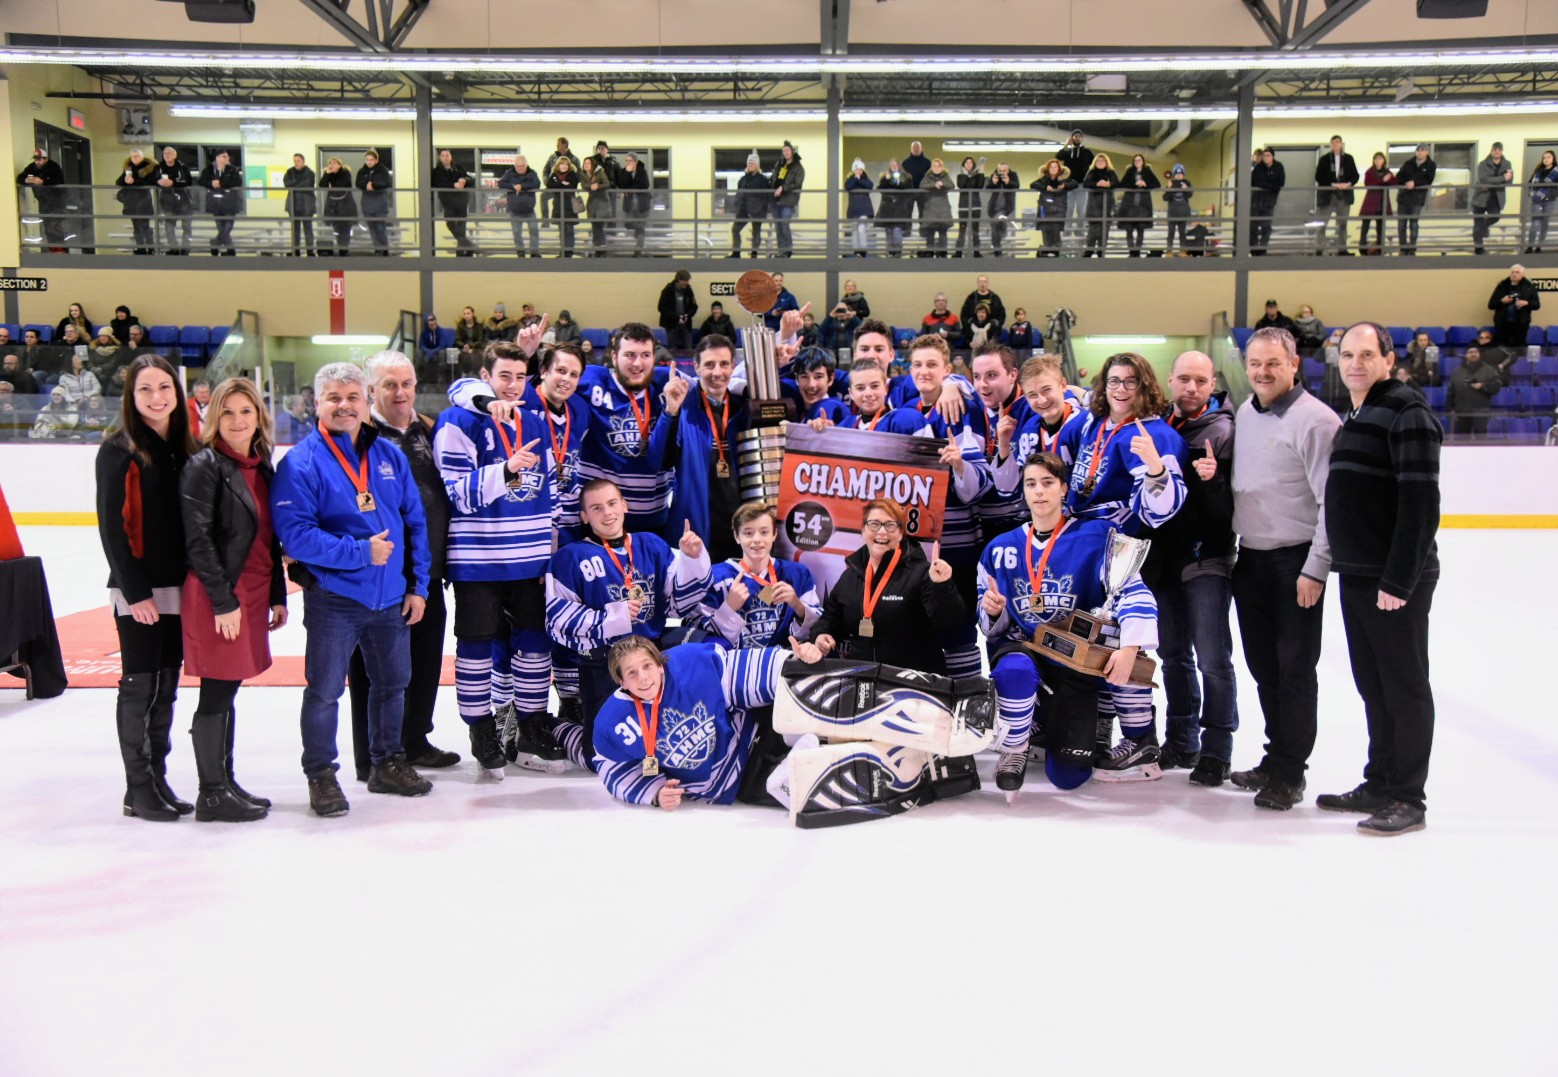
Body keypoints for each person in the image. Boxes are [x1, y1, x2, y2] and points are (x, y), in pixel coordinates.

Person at [270, 362, 433, 817]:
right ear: (317, 403)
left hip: (391, 598)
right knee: (324, 691)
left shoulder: (388, 456)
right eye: (334, 398)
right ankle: (321, 775)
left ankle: (387, 763)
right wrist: (360, 552)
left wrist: (418, 585)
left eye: (352, 397)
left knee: (393, 683)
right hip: (334, 598)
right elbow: (296, 537)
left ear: (365, 402)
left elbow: (415, 523)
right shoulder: (300, 463)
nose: (344, 405)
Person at [1322, 323, 1442, 836]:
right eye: (1348, 354)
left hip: (1392, 580)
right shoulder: (1358, 413)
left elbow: (1421, 503)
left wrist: (1398, 580)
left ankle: (1408, 797)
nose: (1356, 363)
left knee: (1404, 687)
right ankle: (1379, 782)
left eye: (1367, 354)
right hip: (1358, 574)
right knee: (1374, 686)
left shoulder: (1407, 411)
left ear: (1389, 360)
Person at [978, 453, 1160, 791]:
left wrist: (1130, 648)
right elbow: (992, 628)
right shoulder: (999, 549)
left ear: (1063, 488)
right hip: (1028, 652)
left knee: (1069, 778)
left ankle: (1117, 730)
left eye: (1047, 483)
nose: (1039, 491)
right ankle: (1015, 744)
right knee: (1014, 669)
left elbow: (1134, 593)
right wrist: (993, 611)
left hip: (1076, 662)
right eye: (1031, 484)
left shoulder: (1098, 535)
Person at [433, 342, 566, 778]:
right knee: (475, 647)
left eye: (520, 377)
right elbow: (456, 493)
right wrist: (506, 470)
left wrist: (551, 551)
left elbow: (550, 490)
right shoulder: (457, 421)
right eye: (504, 376)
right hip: (478, 559)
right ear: (485, 378)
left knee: (535, 645)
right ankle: (481, 729)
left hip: (530, 561)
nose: (512, 385)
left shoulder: (534, 420)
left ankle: (530, 727)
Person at [1220, 327, 1340, 805]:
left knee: (1294, 671)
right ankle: (1275, 757)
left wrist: (1316, 567)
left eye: (1273, 363)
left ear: (1294, 365)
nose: (1263, 372)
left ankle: (1290, 772)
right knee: (1264, 668)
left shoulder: (1316, 421)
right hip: (1251, 557)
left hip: (1296, 562)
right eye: (1255, 363)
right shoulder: (1246, 413)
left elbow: (1332, 502)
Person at [175, 378, 286, 823]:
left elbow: (269, 539)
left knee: (230, 687)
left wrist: (277, 594)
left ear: (259, 416)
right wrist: (223, 602)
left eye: (245, 411)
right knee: (217, 691)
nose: (237, 421)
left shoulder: (262, 465)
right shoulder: (204, 466)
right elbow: (198, 540)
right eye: (227, 412)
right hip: (220, 592)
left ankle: (225, 781)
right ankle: (211, 793)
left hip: (254, 589)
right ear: (213, 418)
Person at [96, 355, 199, 822]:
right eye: (145, 389)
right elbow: (112, 528)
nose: (156, 398)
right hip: (139, 590)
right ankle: (137, 788)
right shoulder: (118, 449)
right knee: (140, 686)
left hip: (179, 586)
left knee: (167, 686)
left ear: (176, 393)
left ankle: (157, 778)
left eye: (164, 388)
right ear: (131, 396)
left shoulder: (185, 447)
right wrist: (136, 593)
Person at [546, 478, 711, 739]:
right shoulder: (570, 557)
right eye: (597, 508)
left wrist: (692, 559)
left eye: (612, 503)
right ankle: (553, 729)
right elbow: (557, 621)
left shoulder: (651, 545)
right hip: (604, 661)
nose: (607, 513)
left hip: (650, 652)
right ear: (584, 516)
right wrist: (613, 618)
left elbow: (680, 604)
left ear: (624, 505)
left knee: (709, 647)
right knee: (600, 750)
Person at [592, 635, 824, 810]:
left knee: (784, 704)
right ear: (622, 682)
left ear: (660, 665)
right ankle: (800, 753)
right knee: (784, 790)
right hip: (733, 784)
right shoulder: (611, 724)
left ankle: (800, 736)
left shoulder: (690, 664)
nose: (643, 677)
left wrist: (793, 660)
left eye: (647, 666)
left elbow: (741, 670)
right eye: (632, 673)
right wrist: (655, 793)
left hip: (752, 737)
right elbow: (613, 770)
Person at [878, 335, 993, 679]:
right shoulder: (903, 412)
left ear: (946, 369)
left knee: (958, 630)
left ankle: (965, 698)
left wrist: (958, 464)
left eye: (932, 365)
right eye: (917, 364)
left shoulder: (960, 409)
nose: (923, 371)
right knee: (918, 629)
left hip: (957, 548)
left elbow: (977, 487)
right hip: (913, 549)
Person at [1148, 351, 1238, 780]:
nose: (1191, 388)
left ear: (1212, 384)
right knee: (1172, 654)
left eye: (1201, 381)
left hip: (1208, 557)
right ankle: (1182, 741)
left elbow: (1230, 510)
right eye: (1184, 379)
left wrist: (1213, 479)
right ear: (1170, 380)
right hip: (1165, 558)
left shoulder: (1223, 431)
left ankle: (1217, 751)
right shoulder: (1159, 425)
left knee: (1212, 658)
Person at [811, 498, 964, 674]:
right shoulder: (851, 576)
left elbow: (950, 624)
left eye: (890, 525)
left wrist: (942, 587)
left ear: (900, 533)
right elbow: (830, 618)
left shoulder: (922, 573)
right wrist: (822, 634)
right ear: (863, 530)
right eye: (874, 524)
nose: (882, 532)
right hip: (864, 678)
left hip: (913, 681)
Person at [1056, 353, 1188, 539]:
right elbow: (1062, 452)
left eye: (1130, 382)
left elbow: (1160, 511)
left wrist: (1156, 469)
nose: (1121, 389)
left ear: (1144, 387)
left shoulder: (1157, 436)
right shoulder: (1093, 419)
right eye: (1114, 381)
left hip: (1115, 536)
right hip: (1073, 520)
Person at [576, 322, 676, 532]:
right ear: (614, 357)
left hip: (655, 524)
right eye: (630, 355)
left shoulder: (668, 383)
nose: (638, 363)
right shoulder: (592, 381)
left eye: (645, 355)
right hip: (600, 524)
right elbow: (548, 383)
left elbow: (714, 385)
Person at [655, 334, 747, 562]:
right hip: (694, 531)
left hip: (741, 533)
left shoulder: (744, 408)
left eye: (724, 364)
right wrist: (670, 411)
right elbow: (660, 460)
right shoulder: (683, 408)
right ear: (696, 367)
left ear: (733, 366)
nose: (717, 372)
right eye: (709, 365)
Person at [694, 500, 820, 649]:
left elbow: (816, 629)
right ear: (736, 536)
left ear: (774, 534)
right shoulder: (714, 577)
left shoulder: (797, 574)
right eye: (748, 533)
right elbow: (697, 634)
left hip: (782, 660)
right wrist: (728, 608)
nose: (757, 540)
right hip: (735, 661)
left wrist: (797, 605)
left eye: (764, 532)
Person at [1313, 136, 1359, 256]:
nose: (1334, 144)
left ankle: (1342, 249)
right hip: (1327, 196)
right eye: (1332, 142)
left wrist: (1348, 184)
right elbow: (1318, 176)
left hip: (1344, 195)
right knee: (1322, 223)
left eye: (1337, 142)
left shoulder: (1348, 159)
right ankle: (1319, 249)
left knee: (1342, 224)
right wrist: (1332, 184)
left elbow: (1355, 176)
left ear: (1341, 144)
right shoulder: (1324, 159)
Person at [18, 147, 68, 251]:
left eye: (39, 159)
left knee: (55, 226)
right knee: (47, 226)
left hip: (57, 202)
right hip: (44, 203)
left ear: (46, 159)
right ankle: (53, 249)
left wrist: (43, 182)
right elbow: (20, 177)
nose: (37, 162)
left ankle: (60, 250)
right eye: (35, 159)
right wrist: (26, 180)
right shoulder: (32, 167)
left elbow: (60, 181)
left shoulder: (54, 167)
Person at [1447, 345, 1501, 438]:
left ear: (1479, 354)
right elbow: (1451, 393)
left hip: (1481, 411)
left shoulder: (1489, 370)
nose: (1473, 354)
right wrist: (1450, 409)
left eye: (1475, 352)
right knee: (1462, 440)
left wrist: (1482, 386)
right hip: (1461, 412)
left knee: (1480, 440)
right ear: (1466, 355)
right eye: (1470, 352)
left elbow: (1496, 386)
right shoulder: (1457, 372)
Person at [1472, 142, 1515, 255]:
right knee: (1478, 222)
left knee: (1495, 216)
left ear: (1502, 151)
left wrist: (1494, 181)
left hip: (1496, 198)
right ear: (1491, 151)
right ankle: (1478, 248)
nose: (1497, 151)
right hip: (1480, 197)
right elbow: (1483, 180)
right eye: (1495, 149)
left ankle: (1481, 229)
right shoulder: (1482, 164)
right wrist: (1502, 178)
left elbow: (1509, 181)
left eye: (1499, 149)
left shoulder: (1507, 164)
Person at [197, 150, 242, 256]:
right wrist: (211, 184)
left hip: (230, 202)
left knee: (228, 226)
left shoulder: (232, 169)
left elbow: (237, 182)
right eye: (224, 156)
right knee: (220, 226)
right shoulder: (208, 169)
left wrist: (221, 183)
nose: (227, 158)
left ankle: (216, 243)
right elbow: (201, 181)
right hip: (215, 202)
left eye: (227, 156)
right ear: (217, 158)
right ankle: (230, 250)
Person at [1394, 144, 1435, 255]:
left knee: (1413, 223)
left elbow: (1428, 180)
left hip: (1417, 199)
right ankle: (1403, 249)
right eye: (1418, 150)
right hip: (1403, 197)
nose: (1420, 152)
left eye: (1423, 150)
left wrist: (1415, 183)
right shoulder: (1408, 163)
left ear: (1427, 152)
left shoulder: (1431, 165)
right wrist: (1406, 183)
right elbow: (1399, 176)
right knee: (1401, 224)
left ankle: (1412, 249)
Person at [1487, 263, 1541, 348]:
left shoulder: (1529, 287)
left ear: (1522, 274)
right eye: (1512, 272)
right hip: (1503, 324)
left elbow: (1537, 305)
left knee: (1519, 348)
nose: (1514, 274)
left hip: (1521, 324)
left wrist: (1527, 303)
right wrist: (1502, 301)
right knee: (1503, 348)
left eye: (1517, 272)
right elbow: (1491, 305)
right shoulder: (1502, 286)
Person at [115, 149, 159, 254]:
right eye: (132, 156)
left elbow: (150, 182)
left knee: (145, 226)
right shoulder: (128, 168)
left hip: (144, 202)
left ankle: (151, 248)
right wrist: (126, 179)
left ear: (142, 157)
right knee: (137, 228)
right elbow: (118, 182)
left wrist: (134, 181)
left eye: (137, 156)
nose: (134, 158)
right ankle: (141, 248)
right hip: (132, 203)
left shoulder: (150, 167)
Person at [431, 148, 473, 256]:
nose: (445, 158)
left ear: (451, 157)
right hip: (448, 202)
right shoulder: (436, 172)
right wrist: (453, 185)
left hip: (462, 201)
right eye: (443, 155)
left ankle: (463, 254)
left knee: (461, 227)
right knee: (450, 223)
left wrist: (465, 180)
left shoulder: (458, 168)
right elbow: (437, 184)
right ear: (440, 157)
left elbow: (470, 180)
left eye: (447, 155)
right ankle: (469, 246)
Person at [498, 154, 542, 258]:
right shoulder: (509, 173)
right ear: (515, 166)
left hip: (529, 210)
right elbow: (501, 183)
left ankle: (534, 252)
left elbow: (537, 184)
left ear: (526, 165)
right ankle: (520, 252)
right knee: (516, 232)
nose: (519, 168)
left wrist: (522, 187)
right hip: (515, 210)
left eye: (522, 166)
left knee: (534, 231)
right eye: (517, 166)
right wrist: (513, 187)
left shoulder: (532, 173)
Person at [1117, 153, 1160, 257]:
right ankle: (1132, 252)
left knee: (1141, 231)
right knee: (1129, 230)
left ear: (1143, 161)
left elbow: (1157, 184)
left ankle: (1138, 252)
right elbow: (1122, 184)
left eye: (1139, 160)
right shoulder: (1130, 171)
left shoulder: (1147, 171)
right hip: (1129, 207)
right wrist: (1134, 184)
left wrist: (1145, 185)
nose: (1137, 162)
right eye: (1135, 160)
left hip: (1143, 207)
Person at [1032, 158, 1076, 257]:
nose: (1053, 169)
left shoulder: (1064, 179)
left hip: (1058, 211)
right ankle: (1048, 257)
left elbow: (1074, 184)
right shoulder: (1043, 180)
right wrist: (1045, 187)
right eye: (1051, 167)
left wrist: (1064, 186)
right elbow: (1033, 184)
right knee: (1046, 234)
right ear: (1048, 168)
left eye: (1055, 167)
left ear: (1059, 168)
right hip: (1045, 211)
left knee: (1056, 234)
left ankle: (1057, 257)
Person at [1056, 129, 1093, 249]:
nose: (1077, 138)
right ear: (1072, 138)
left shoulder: (1087, 152)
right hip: (1068, 185)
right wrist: (1066, 145)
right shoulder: (1067, 151)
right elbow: (1058, 156)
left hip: (1081, 184)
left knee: (1081, 211)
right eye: (1075, 136)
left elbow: (1093, 165)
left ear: (1082, 138)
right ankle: (1067, 233)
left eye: (1079, 136)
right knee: (1068, 210)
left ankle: (1079, 233)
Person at [354, 150, 392, 256]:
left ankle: (384, 249)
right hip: (367, 202)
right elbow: (358, 183)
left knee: (380, 227)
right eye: (367, 160)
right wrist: (366, 185)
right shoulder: (362, 171)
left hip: (380, 203)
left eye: (371, 160)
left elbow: (386, 183)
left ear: (376, 160)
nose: (369, 162)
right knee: (372, 227)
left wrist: (374, 185)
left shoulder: (383, 170)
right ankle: (377, 248)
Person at [730, 152, 769, 258]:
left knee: (756, 232)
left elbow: (765, 197)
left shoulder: (763, 180)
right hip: (743, 210)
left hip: (757, 211)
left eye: (753, 163)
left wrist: (759, 208)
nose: (750, 165)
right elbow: (738, 195)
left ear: (757, 165)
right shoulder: (742, 180)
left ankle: (754, 253)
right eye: (749, 163)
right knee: (735, 229)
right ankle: (736, 252)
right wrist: (737, 206)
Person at [1357, 152, 1396, 255]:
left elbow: (1393, 182)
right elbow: (1368, 183)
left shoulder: (1387, 172)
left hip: (1382, 202)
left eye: (1380, 158)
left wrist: (1390, 178)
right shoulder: (1369, 172)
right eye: (1376, 158)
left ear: (1384, 160)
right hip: (1370, 202)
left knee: (1380, 228)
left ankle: (1380, 248)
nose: (1378, 160)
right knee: (1365, 226)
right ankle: (1362, 248)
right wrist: (1383, 180)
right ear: (1373, 161)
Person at [770, 141, 805, 258]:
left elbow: (797, 183)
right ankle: (781, 251)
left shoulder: (798, 168)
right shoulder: (779, 164)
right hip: (775, 200)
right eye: (784, 151)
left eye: (787, 150)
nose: (785, 153)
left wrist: (783, 188)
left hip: (788, 200)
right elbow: (773, 178)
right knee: (778, 226)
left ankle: (788, 250)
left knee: (784, 224)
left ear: (792, 152)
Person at [315, 156, 354, 256]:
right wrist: (327, 174)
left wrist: (332, 187)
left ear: (339, 165)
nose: (331, 165)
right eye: (329, 163)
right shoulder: (329, 174)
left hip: (345, 205)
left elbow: (345, 184)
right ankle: (341, 247)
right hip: (334, 205)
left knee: (345, 228)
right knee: (337, 228)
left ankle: (344, 249)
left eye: (333, 163)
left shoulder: (345, 173)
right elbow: (322, 185)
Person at [1081, 153, 1119, 257]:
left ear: (1106, 162)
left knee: (1104, 231)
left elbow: (1117, 183)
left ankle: (1101, 251)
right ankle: (1089, 250)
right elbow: (1085, 184)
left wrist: (1109, 184)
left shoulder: (1111, 172)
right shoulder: (1091, 172)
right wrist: (1097, 184)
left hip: (1108, 205)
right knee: (1093, 231)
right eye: (1098, 161)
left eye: (1102, 160)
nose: (1100, 162)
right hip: (1093, 206)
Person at [1249, 147, 1284, 256]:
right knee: (1253, 226)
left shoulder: (1278, 167)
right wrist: (1271, 185)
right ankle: (1253, 248)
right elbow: (1255, 182)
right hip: (1256, 201)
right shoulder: (1258, 168)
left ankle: (1263, 248)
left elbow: (1280, 183)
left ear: (1273, 156)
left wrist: (1267, 185)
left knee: (1266, 226)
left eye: (1268, 155)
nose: (1265, 158)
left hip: (1270, 202)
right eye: (1264, 155)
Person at [282, 153, 317, 257]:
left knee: (308, 229)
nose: (296, 163)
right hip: (293, 205)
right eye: (295, 161)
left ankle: (310, 251)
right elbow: (287, 184)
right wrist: (299, 183)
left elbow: (307, 184)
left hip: (306, 205)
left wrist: (294, 184)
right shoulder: (289, 172)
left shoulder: (310, 173)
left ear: (303, 161)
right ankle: (295, 250)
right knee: (295, 230)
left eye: (298, 161)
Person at [918, 157, 954, 257]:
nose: (937, 168)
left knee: (943, 234)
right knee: (930, 234)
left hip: (943, 210)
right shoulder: (927, 177)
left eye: (939, 166)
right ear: (932, 167)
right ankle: (930, 252)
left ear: (942, 167)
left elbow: (951, 185)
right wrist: (934, 185)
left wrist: (942, 184)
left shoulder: (945, 176)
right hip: (931, 210)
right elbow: (922, 185)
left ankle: (943, 253)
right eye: (935, 166)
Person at [840, 157, 876, 258]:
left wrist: (859, 180)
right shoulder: (850, 180)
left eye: (860, 169)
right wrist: (855, 179)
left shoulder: (866, 180)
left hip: (865, 210)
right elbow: (848, 186)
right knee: (854, 230)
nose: (858, 171)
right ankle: (856, 250)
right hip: (853, 210)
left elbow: (869, 186)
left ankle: (863, 249)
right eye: (856, 169)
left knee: (861, 229)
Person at [876, 159, 912, 257]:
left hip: (900, 208)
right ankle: (890, 254)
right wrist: (887, 179)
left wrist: (892, 180)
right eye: (892, 165)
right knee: (889, 232)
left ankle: (897, 253)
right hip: (887, 209)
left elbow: (906, 188)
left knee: (897, 231)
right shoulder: (884, 177)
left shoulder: (906, 177)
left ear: (899, 166)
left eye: (895, 165)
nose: (894, 167)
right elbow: (881, 188)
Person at [546, 155, 581, 258]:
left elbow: (572, 186)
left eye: (566, 164)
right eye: (562, 164)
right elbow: (549, 185)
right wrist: (562, 183)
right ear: (558, 165)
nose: (564, 166)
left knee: (569, 230)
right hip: (558, 206)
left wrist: (558, 184)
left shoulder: (572, 174)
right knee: (561, 231)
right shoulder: (554, 175)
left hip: (569, 207)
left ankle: (568, 252)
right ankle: (562, 252)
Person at [1524, 149, 1558, 254]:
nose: (1546, 159)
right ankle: (1530, 246)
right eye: (1544, 157)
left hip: (1549, 200)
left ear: (1553, 158)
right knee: (1535, 223)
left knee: (1544, 223)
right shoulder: (1538, 170)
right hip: (1536, 200)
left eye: (1548, 157)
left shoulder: (1556, 171)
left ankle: (1539, 246)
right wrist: (1532, 192)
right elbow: (1530, 182)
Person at [618, 152, 651, 256]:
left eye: (629, 160)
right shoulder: (623, 171)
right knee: (628, 223)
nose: (627, 163)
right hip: (629, 205)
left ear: (635, 162)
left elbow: (645, 184)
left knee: (641, 228)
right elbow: (622, 185)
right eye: (626, 161)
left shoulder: (642, 171)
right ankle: (639, 230)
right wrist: (627, 173)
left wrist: (630, 189)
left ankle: (638, 250)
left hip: (642, 204)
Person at [657, 269, 698, 352]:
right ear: (679, 280)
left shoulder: (688, 290)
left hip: (686, 323)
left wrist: (687, 315)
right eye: (685, 281)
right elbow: (661, 307)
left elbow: (694, 306)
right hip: (671, 324)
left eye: (688, 281)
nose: (687, 283)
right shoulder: (668, 290)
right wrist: (676, 317)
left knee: (688, 348)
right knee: (672, 349)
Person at [580, 156, 613, 257]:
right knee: (596, 227)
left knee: (598, 227)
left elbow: (607, 184)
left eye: (588, 163)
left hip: (602, 203)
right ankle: (599, 249)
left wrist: (598, 186)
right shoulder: (583, 174)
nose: (586, 165)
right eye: (585, 163)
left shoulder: (600, 172)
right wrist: (591, 186)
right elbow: (583, 185)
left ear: (593, 164)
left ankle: (601, 250)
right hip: (592, 204)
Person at [954, 155, 985, 257]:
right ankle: (958, 252)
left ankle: (976, 252)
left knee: (975, 230)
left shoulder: (977, 176)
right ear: (963, 165)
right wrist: (966, 174)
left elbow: (980, 185)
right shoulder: (960, 176)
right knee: (962, 230)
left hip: (975, 206)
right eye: (966, 163)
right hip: (963, 206)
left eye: (971, 163)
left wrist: (981, 172)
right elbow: (962, 185)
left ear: (974, 165)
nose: (968, 164)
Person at [986, 161, 1018, 256]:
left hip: (1006, 207)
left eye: (1004, 171)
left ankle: (997, 249)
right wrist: (993, 182)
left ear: (1008, 170)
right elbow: (988, 187)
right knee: (995, 224)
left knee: (994, 222)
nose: (1002, 172)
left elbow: (1017, 185)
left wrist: (1008, 182)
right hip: (993, 207)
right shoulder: (994, 175)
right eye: (1000, 170)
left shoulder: (1013, 175)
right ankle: (1001, 235)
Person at [901, 140, 932, 230]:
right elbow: (902, 178)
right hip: (909, 192)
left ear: (922, 149)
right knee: (907, 213)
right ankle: (907, 232)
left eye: (918, 147)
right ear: (911, 149)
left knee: (923, 213)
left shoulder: (927, 162)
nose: (916, 149)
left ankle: (923, 232)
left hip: (923, 192)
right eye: (914, 147)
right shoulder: (905, 163)